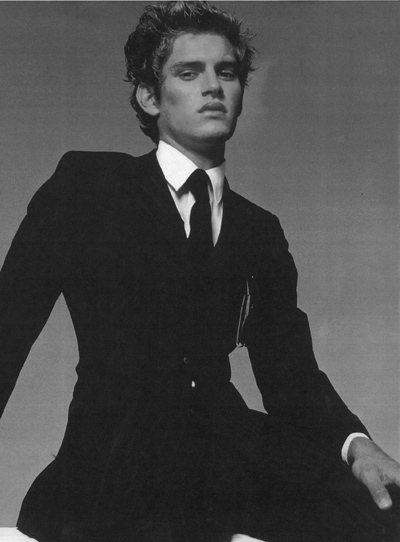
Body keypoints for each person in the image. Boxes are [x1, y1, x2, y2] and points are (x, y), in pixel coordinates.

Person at [0, 2, 399, 541]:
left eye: (226, 72)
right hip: (114, 460)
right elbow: (8, 327)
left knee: (384, 510)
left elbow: (290, 373)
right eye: (189, 73)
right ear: (149, 96)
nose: (213, 87)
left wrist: (357, 445)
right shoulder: (88, 186)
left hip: (230, 455)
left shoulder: (260, 229)